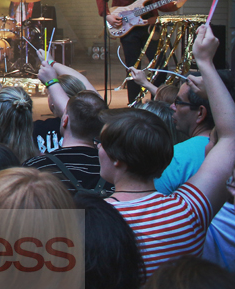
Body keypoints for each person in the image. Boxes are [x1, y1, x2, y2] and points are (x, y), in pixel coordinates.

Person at [100, 24, 235, 277]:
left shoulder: (95, 220)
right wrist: (205, 62)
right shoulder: (188, 211)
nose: (97, 146)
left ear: (118, 159)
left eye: (102, 142)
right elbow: (230, 137)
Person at [96, 0, 186, 103]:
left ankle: (157, 103)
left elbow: (163, 2)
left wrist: (176, 4)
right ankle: (134, 104)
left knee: (160, 67)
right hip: (128, 27)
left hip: (151, 26)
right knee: (133, 68)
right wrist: (107, 15)